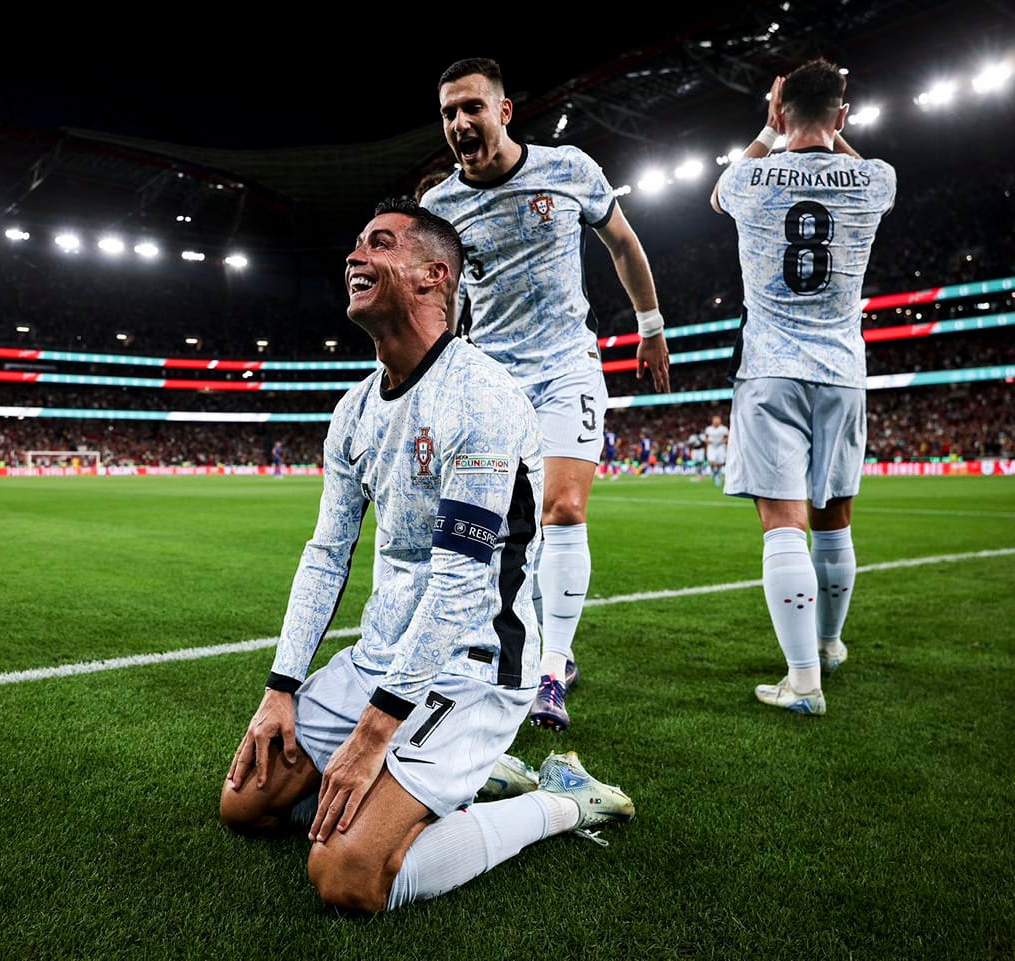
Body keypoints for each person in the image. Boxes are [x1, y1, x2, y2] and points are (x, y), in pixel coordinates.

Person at [219, 198, 636, 913]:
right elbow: (327, 553)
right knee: (244, 805)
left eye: (379, 243)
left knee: (347, 876)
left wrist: (374, 732)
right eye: (357, 243)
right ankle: (446, 783)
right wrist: (281, 686)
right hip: (380, 657)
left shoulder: (480, 396)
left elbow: (459, 586)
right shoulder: (353, 410)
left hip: (474, 666)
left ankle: (562, 802)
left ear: (432, 276)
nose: (355, 256)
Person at [421, 58, 671, 732]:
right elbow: (439, 307)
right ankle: (522, 647)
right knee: (503, 531)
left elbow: (623, 243)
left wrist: (650, 326)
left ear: (504, 111)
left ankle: (553, 669)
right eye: (448, 113)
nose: (459, 122)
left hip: (566, 367)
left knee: (563, 508)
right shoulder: (439, 210)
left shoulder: (568, 170)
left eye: (472, 107)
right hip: (492, 383)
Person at [711, 59, 896, 715]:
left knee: (782, 526)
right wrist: (830, 132)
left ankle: (803, 680)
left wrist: (769, 132)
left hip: (770, 371)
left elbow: (717, 197)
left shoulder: (749, 177)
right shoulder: (875, 178)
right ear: (842, 114)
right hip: (842, 371)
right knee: (834, 519)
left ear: (780, 109)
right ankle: (829, 643)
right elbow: (860, 171)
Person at [704, 414, 729, 488]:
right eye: (715, 421)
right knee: (711, 461)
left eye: (717, 421)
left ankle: (716, 473)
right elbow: (706, 438)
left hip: (720, 447)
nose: (716, 423)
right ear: (712, 421)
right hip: (711, 447)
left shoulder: (724, 429)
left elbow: (727, 437)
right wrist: (707, 441)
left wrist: (724, 441)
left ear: (720, 422)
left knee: (720, 463)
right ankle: (715, 473)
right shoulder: (708, 429)